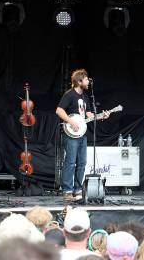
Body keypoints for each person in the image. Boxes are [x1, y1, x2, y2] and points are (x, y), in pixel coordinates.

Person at [56, 69, 109, 202]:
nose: (88, 82)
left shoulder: (85, 97)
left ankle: (77, 189)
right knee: (70, 162)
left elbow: (89, 114)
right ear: (79, 81)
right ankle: (67, 190)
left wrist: (101, 116)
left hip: (82, 134)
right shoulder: (70, 94)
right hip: (71, 133)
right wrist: (70, 121)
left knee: (82, 162)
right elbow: (59, 110)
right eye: (86, 80)